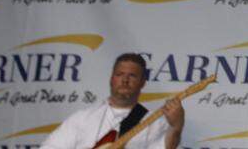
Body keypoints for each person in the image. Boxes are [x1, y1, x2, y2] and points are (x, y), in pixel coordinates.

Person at [41, 53, 184, 149]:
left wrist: (176, 127)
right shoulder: (82, 118)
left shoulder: (154, 121)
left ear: (142, 83)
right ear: (112, 78)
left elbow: (167, 146)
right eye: (120, 74)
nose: (125, 80)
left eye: (132, 76)